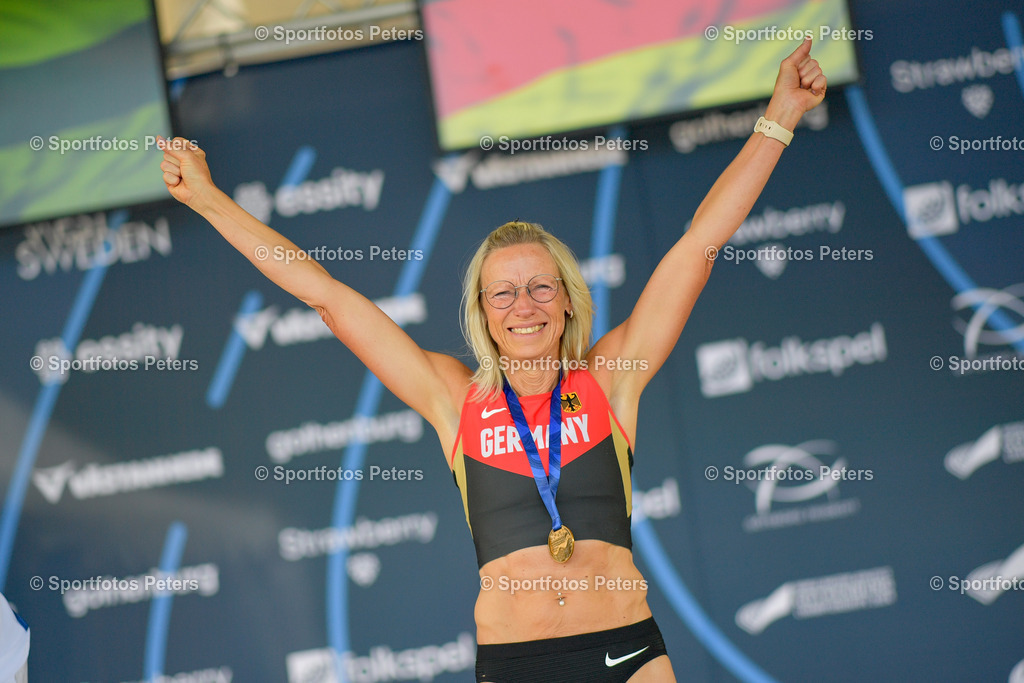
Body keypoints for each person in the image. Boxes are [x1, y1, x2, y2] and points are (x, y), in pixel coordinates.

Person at [158, 37, 826, 683]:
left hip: (627, 651)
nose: (523, 305)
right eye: (502, 292)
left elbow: (700, 244)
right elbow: (326, 296)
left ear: (567, 300)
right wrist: (208, 199)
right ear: (483, 312)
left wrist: (781, 116)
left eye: (540, 287)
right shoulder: (454, 398)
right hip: (516, 664)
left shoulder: (610, 378)